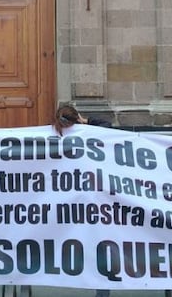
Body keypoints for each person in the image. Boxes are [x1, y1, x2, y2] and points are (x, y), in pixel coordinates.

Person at [53, 105, 112, 297]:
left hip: (71, 201)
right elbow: (108, 126)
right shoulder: (93, 131)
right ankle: (102, 289)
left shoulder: (54, 136)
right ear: (77, 116)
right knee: (100, 243)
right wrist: (86, 121)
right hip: (95, 200)